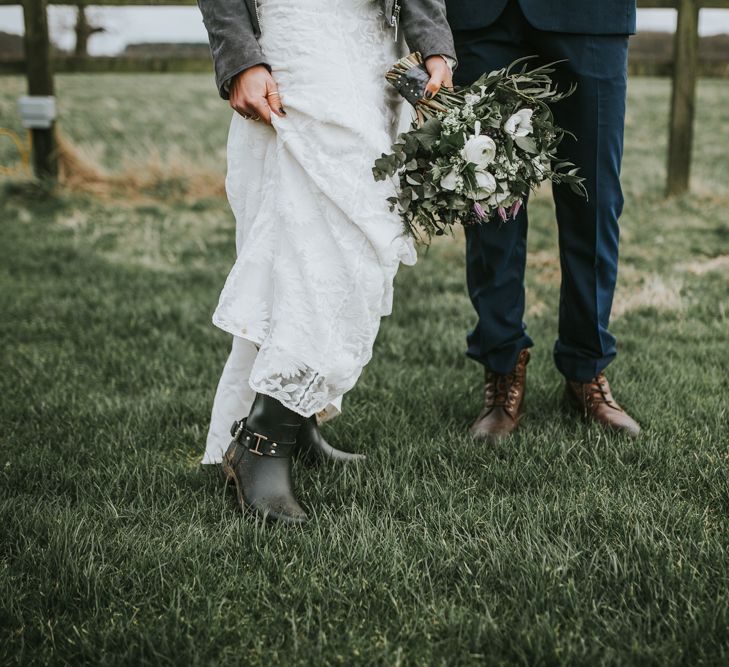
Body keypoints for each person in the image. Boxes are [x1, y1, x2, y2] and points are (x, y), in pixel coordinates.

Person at [197, 0, 457, 522]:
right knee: (318, 232)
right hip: (300, 39)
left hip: (370, 49)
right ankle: (261, 441)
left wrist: (434, 45)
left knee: (339, 235)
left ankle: (297, 419)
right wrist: (241, 58)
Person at [445, 0, 641, 441]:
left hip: (591, 17)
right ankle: (502, 368)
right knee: (489, 198)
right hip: (481, 16)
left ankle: (586, 369)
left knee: (594, 202)